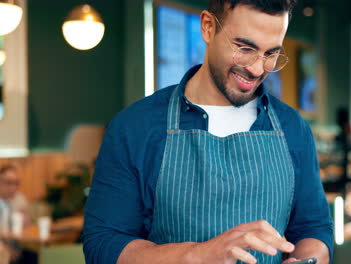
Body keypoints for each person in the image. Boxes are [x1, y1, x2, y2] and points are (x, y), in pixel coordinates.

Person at [83, 1, 333, 263]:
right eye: (245, 48)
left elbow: (313, 230)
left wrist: (309, 258)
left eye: (271, 54)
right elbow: (103, 245)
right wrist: (199, 255)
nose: (257, 69)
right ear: (208, 27)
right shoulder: (136, 126)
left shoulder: (292, 128)